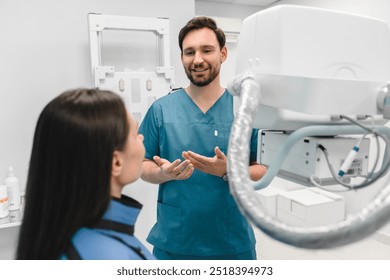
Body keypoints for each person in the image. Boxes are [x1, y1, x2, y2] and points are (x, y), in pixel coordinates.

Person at [139, 16, 267, 260]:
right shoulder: (161, 110)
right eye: (189, 52)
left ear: (223, 53)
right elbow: (142, 164)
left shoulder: (245, 109)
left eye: (206, 50)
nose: (197, 59)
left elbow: (264, 169)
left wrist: (229, 170)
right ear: (181, 58)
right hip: (175, 243)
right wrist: (163, 174)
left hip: (231, 241)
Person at [17, 88, 155, 260]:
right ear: (116, 162)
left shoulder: (58, 235)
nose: (141, 139)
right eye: (135, 135)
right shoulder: (109, 257)